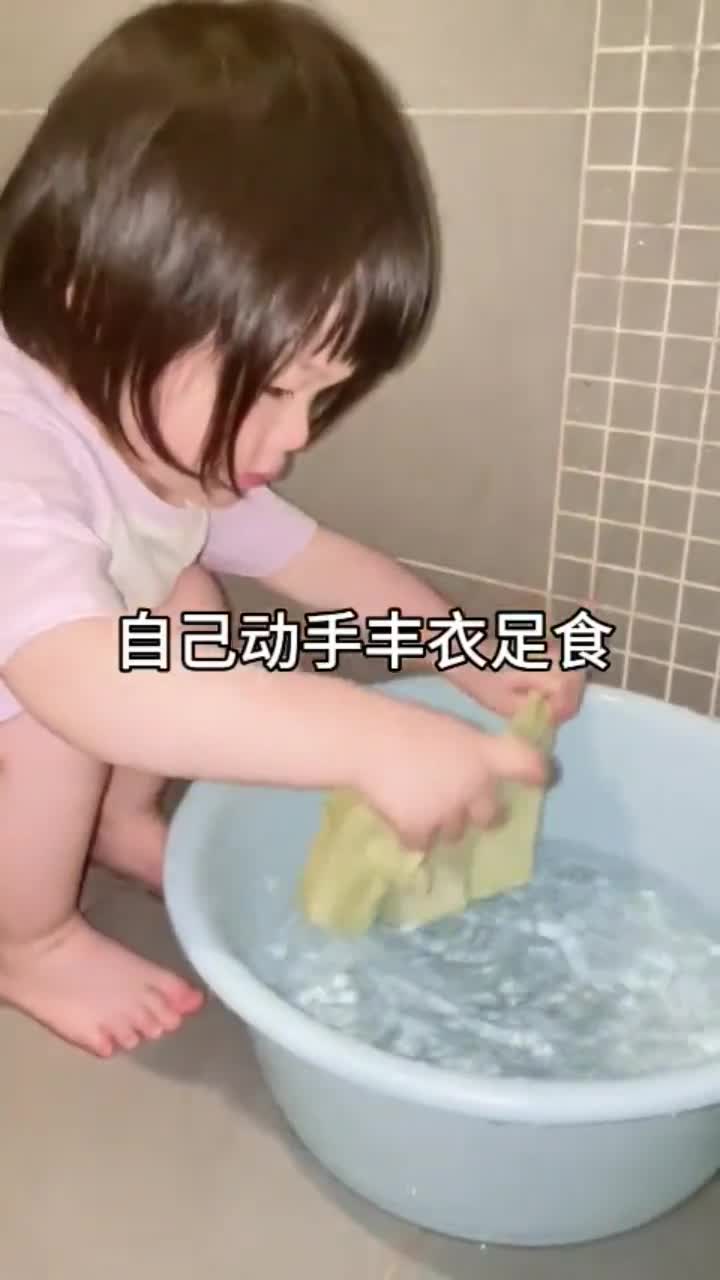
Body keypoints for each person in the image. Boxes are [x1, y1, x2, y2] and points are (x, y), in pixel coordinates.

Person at [0, 0, 584, 1059]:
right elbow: (86, 684)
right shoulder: (14, 452)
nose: (298, 434)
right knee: (66, 718)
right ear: (96, 297)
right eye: (273, 387)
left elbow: (320, 563)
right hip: (42, 682)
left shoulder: (153, 426)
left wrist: (469, 654)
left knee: (186, 596)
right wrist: (364, 735)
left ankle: (116, 818)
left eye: (323, 394)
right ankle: (28, 941)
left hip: (59, 658)